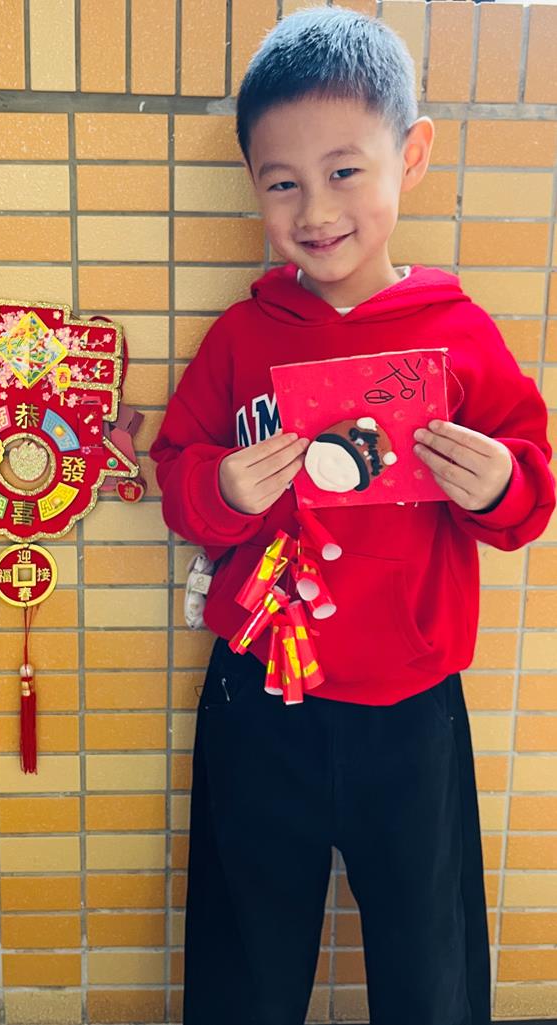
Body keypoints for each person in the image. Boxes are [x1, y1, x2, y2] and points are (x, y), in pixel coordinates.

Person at [150, 8, 555, 1025]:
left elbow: (529, 494)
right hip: (257, 697)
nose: (315, 208)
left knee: (428, 960)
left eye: (343, 171)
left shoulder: (459, 335)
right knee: (244, 958)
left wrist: (496, 483)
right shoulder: (240, 337)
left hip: (411, 707)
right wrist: (222, 491)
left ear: (410, 156)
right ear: (252, 183)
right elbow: (177, 471)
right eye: (282, 182)